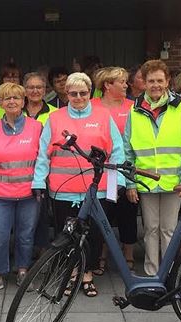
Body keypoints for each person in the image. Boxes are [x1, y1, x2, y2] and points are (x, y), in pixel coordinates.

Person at [32, 72, 126, 297]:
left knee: (93, 235)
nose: (78, 97)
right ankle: (71, 273)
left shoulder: (104, 116)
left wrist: (118, 182)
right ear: (66, 95)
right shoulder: (54, 119)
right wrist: (38, 181)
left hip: (97, 190)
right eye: (73, 93)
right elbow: (43, 154)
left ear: (90, 93)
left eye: (83, 93)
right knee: (66, 236)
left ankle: (87, 274)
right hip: (63, 190)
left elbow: (117, 152)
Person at [124, 59, 181, 276]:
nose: (155, 85)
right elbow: (128, 149)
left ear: (167, 82)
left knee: (169, 230)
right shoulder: (134, 110)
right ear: (143, 84)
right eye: (150, 81)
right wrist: (130, 182)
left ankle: (168, 273)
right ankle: (152, 273)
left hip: (174, 182)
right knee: (150, 229)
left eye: (159, 80)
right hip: (145, 180)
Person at [0, 83, 42, 295]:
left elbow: (42, 160)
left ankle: (23, 271)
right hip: (0, 194)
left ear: (24, 102)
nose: (12, 101)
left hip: (29, 194)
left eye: (16, 98)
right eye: (7, 98)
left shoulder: (37, 127)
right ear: (1, 103)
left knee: (25, 236)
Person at [91, 66, 137, 272]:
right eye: (122, 81)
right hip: (102, 169)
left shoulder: (133, 107)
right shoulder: (92, 106)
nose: (127, 85)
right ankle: (101, 254)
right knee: (105, 211)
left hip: (126, 166)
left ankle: (128, 255)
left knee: (128, 210)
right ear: (108, 85)